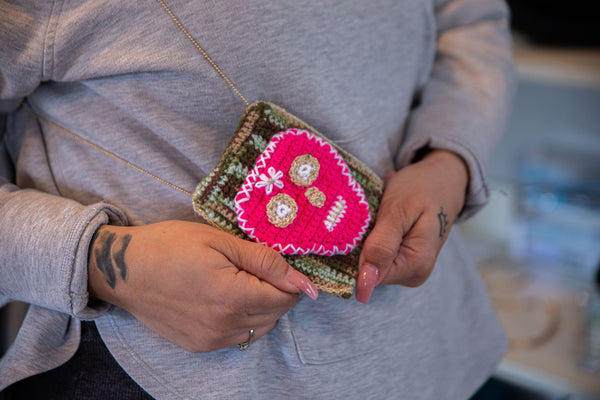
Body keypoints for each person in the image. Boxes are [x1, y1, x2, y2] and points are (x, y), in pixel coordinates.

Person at [0, 0, 516, 398]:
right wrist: (100, 261)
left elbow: (471, 19)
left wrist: (448, 160)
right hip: (171, 377)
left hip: (438, 356)